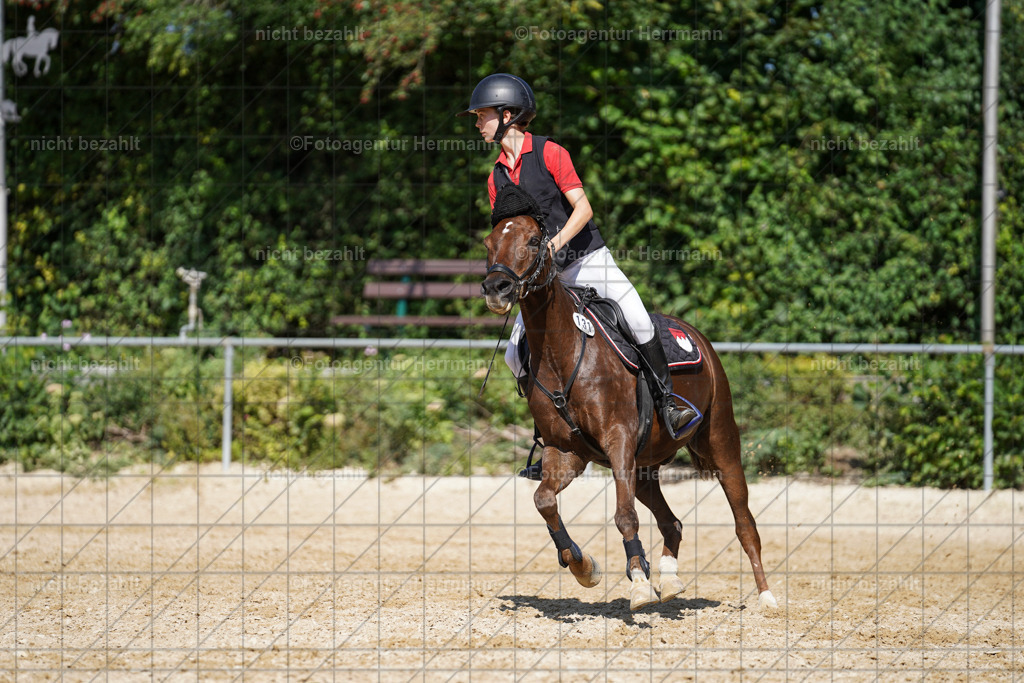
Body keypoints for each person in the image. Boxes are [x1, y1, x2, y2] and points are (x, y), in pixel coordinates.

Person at [458, 73, 700, 479]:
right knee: (514, 355)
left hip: (586, 258)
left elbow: (583, 210)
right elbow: (508, 236)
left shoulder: (551, 153)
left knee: (639, 322)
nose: (476, 123)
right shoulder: (496, 176)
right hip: (542, 280)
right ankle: (549, 436)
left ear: (507, 114)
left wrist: (553, 246)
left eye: (481, 115)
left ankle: (668, 406)